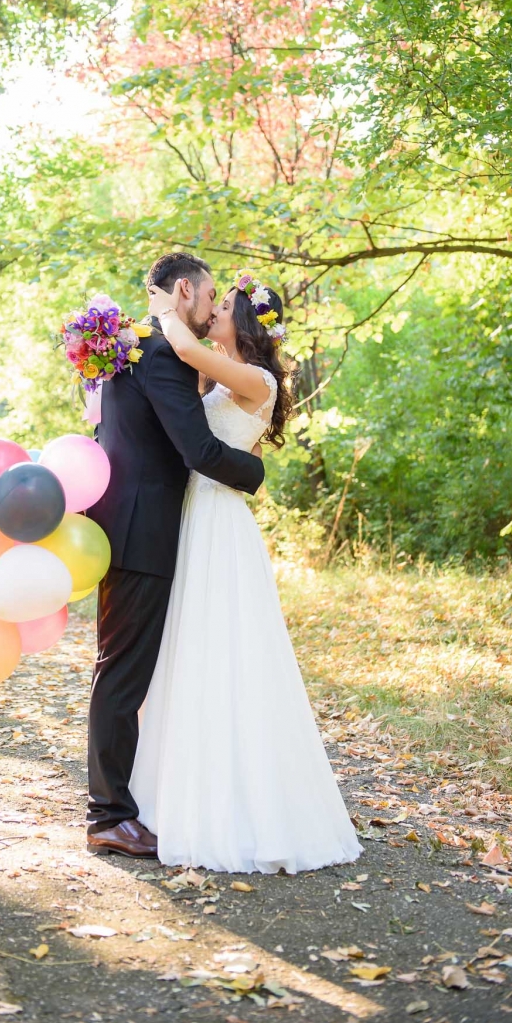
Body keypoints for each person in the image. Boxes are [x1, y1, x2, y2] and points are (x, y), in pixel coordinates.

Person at [128, 271, 363, 873]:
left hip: (219, 521)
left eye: (225, 304)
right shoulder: (217, 372)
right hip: (192, 514)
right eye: (214, 300)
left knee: (226, 650)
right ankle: (183, 790)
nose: (214, 310)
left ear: (246, 322)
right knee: (191, 652)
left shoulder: (256, 378)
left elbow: (180, 347)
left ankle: (242, 805)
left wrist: (159, 307)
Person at [85, 253, 265, 859]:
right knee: (124, 673)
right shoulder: (159, 352)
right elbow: (196, 448)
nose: (214, 307)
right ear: (183, 289)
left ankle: (128, 804)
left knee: (129, 669)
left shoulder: (129, 345)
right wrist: (256, 472)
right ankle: (108, 815)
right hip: (144, 532)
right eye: (209, 295)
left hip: (129, 527)